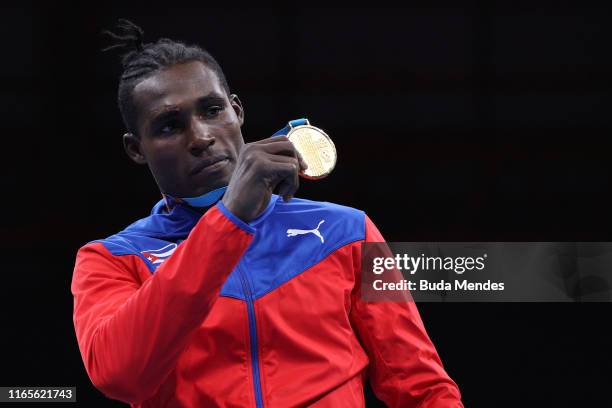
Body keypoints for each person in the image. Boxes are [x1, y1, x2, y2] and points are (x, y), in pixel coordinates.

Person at [71, 19, 463, 407]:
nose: (201, 137)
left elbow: (422, 388)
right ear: (136, 148)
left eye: (212, 110)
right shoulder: (112, 260)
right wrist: (229, 219)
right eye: (170, 126)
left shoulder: (348, 231)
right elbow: (119, 374)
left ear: (236, 111)